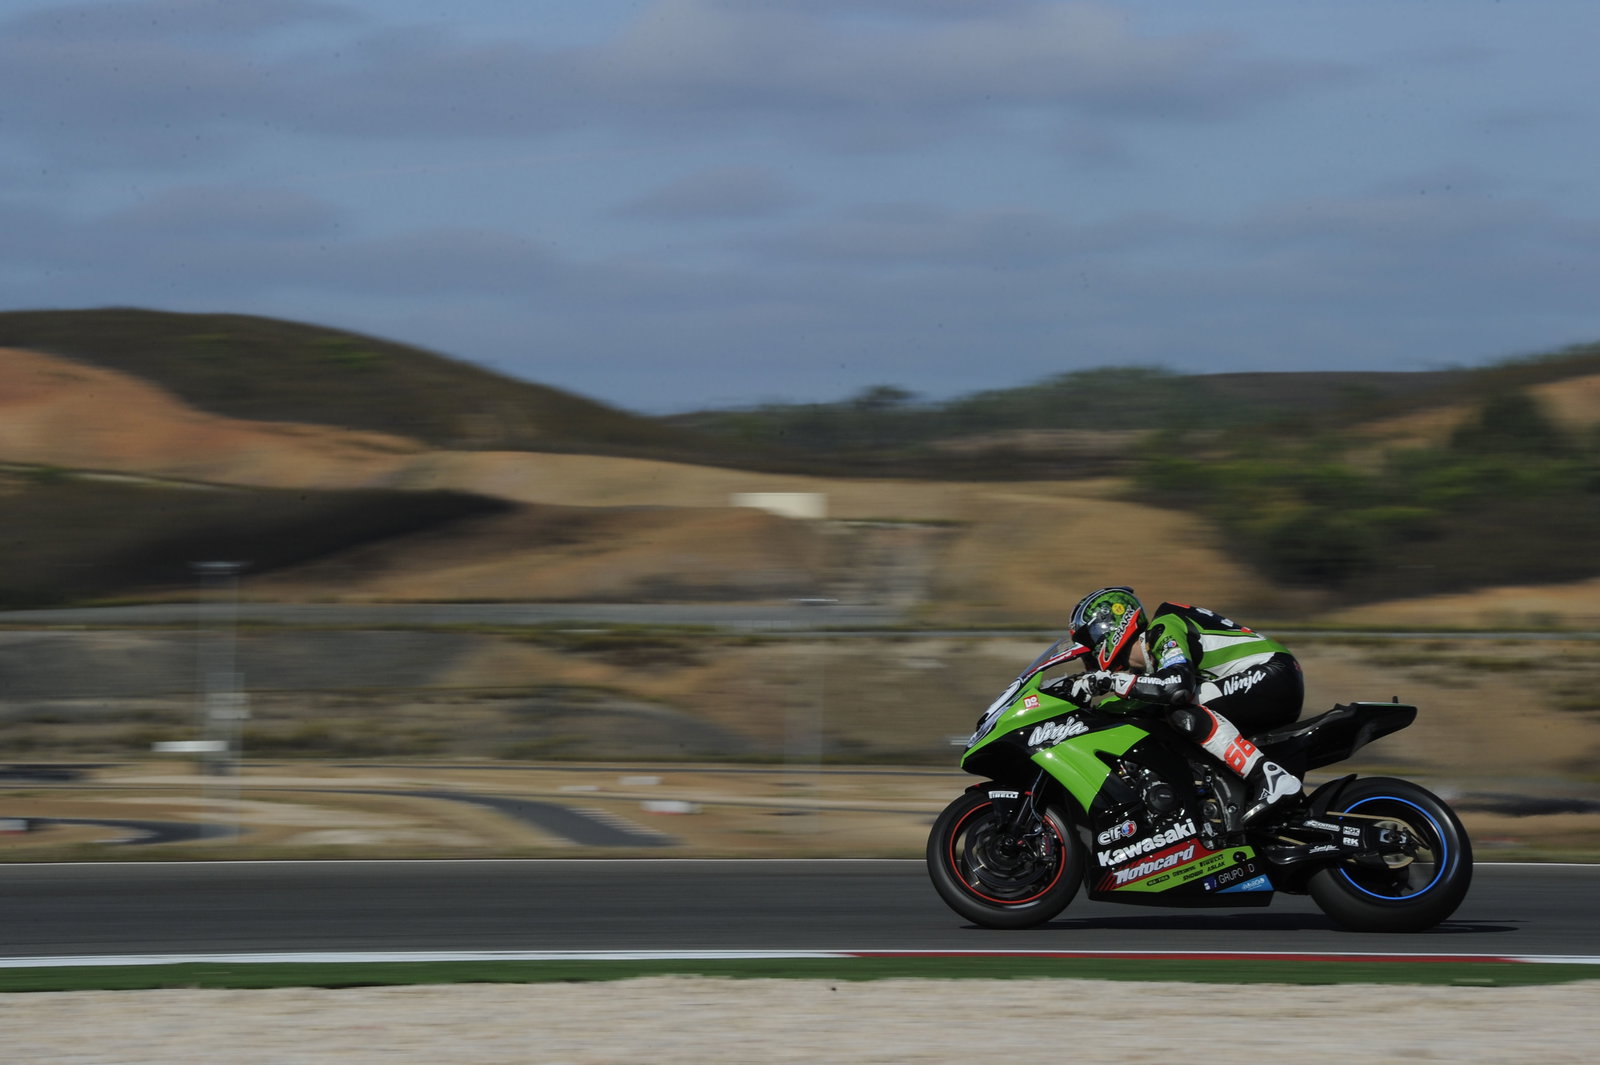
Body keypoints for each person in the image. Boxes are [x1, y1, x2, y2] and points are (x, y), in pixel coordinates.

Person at [1060, 587, 1304, 826]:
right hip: (1267, 679)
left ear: (1110, 627)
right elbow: (1141, 696)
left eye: (1088, 642)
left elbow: (1176, 686)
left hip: (1272, 671)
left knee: (1180, 710)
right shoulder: (1150, 662)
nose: (1087, 655)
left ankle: (1270, 777)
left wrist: (1112, 681)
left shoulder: (1163, 627)